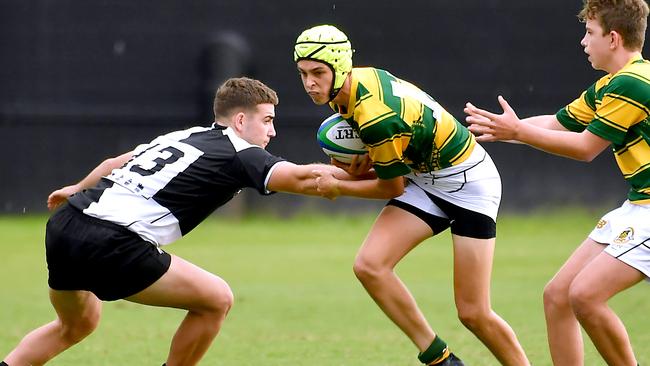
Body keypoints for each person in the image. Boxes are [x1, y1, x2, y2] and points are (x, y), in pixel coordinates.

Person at [0, 77, 352, 366]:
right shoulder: (241, 152)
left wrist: (75, 188)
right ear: (241, 121)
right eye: (268, 120)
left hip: (67, 223)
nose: (272, 132)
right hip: (113, 241)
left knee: (75, 324)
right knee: (216, 299)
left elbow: (112, 163)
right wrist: (372, 173)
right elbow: (308, 179)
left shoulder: (183, 136)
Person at [295, 25, 530, 366]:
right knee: (370, 266)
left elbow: (392, 187)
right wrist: (361, 168)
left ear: (341, 67)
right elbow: (398, 168)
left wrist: (341, 186)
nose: (310, 83)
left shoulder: (375, 115)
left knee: (473, 312)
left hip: (469, 185)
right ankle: (440, 359)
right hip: (426, 176)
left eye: (318, 73)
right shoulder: (350, 87)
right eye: (303, 73)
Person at [464, 0, 650, 364]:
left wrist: (517, 130)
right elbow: (558, 123)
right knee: (558, 296)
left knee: (585, 296)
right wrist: (501, 131)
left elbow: (585, 148)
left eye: (589, 33)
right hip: (636, 207)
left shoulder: (632, 83)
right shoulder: (611, 85)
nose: (583, 41)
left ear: (613, 38)